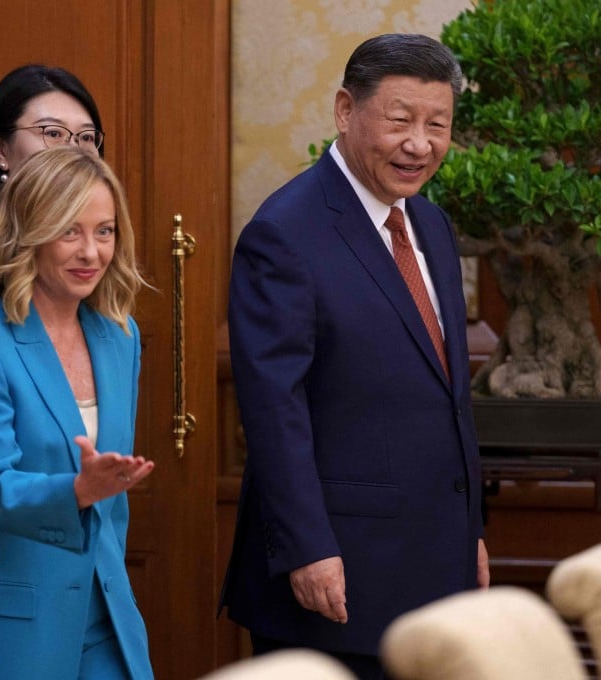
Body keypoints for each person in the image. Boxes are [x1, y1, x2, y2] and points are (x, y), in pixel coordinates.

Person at [219, 33, 490, 679]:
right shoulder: (284, 234)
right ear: (346, 110)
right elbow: (273, 410)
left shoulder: (429, 223)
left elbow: (446, 401)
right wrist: (306, 549)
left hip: (433, 566)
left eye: (438, 124)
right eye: (399, 120)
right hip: (338, 573)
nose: (419, 144)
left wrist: (468, 533)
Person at [0, 145, 154, 680]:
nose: (91, 252)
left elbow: (114, 508)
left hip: (107, 616)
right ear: (29, 234)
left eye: (105, 231)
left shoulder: (121, 337)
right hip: (16, 623)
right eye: (70, 231)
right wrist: (76, 491)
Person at [0, 63, 105, 321]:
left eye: (87, 137)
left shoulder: (99, 247)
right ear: (1, 149)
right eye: (53, 133)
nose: (73, 150)